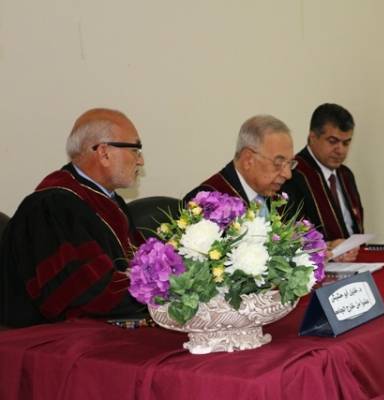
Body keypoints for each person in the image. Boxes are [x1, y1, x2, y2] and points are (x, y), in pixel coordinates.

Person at [0, 108, 147, 327]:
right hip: (47, 337)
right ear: (104, 152)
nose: (140, 160)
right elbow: (84, 295)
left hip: (104, 328)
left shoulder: (109, 202)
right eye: (135, 149)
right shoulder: (52, 207)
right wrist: (159, 291)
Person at [282, 103, 364, 261]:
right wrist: (328, 247)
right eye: (333, 141)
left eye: (346, 143)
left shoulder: (346, 175)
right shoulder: (293, 176)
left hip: (355, 263)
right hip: (320, 267)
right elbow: (290, 236)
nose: (340, 150)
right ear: (312, 137)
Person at [183, 115, 295, 206]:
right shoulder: (206, 204)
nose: (288, 174)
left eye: (290, 163)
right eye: (278, 163)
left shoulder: (284, 198)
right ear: (248, 160)